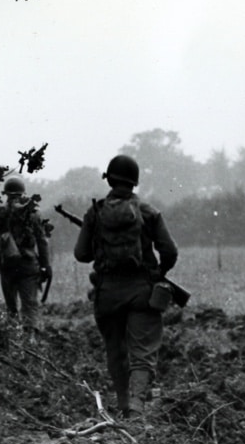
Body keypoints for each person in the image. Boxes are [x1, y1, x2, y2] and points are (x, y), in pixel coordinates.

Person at [74, 154, 178, 420]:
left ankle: (122, 404)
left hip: (107, 293)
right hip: (142, 291)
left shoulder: (95, 213)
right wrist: (158, 272)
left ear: (108, 179)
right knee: (142, 353)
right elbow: (170, 250)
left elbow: (81, 254)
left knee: (115, 350)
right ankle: (136, 408)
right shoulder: (148, 212)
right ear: (135, 182)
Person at [0, 175, 52, 333]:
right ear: (23, 193)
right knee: (29, 304)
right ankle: (30, 340)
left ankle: (12, 340)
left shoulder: (0, 212)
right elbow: (42, 241)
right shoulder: (34, 213)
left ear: (6, 194)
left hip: (7, 265)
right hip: (28, 265)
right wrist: (46, 266)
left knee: (11, 306)